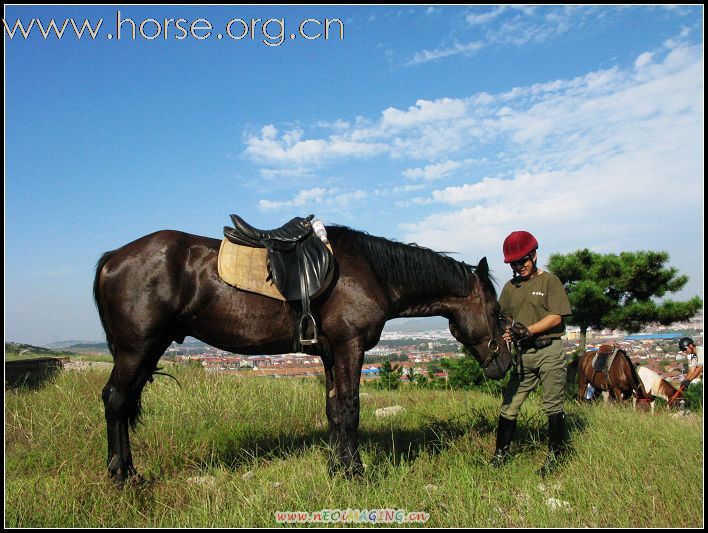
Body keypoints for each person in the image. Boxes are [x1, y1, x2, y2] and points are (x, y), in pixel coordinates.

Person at [490, 230, 572, 477]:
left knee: (553, 405)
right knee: (510, 406)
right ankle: (500, 453)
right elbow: (504, 316)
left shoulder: (549, 282)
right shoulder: (511, 287)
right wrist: (507, 331)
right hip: (523, 356)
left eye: (523, 260)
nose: (519, 266)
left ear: (534, 255)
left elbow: (557, 316)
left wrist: (528, 330)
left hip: (549, 350)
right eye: (514, 263)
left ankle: (556, 456)